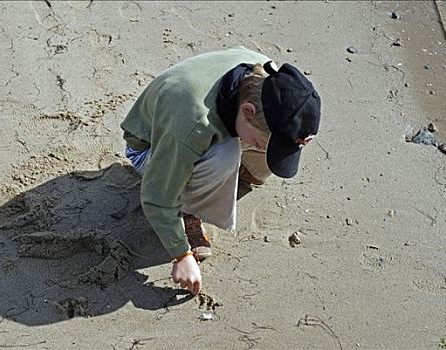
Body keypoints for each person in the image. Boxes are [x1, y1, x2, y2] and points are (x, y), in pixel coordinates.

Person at [120, 46, 321, 295]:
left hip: (204, 122)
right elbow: (156, 198)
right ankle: (189, 209)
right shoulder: (192, 125)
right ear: (248, 110)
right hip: (150, 145)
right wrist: (181, 255)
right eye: (262, 141)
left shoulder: (270, 78)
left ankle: (221, 173)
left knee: (260, 154)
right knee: (225, 155)